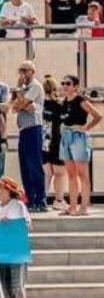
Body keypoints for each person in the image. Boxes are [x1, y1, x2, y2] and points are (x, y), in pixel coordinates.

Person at [58, 74, 101, 216]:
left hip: (78, 137)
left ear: (75, 86)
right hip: (66, 136)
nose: (65, 86)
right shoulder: (64, 101)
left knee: (82, 173)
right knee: (71, 174)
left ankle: (84, 207)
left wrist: (86, 128)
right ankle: (73, 206)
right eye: (63, 83)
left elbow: (97, 115)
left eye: (68, 83)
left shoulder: (80, 100)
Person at [11, 61, 47, 212]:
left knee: (34, 165)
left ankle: (40, 200)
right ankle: (31, 199)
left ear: (32, 71)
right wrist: (23, 104)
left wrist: (21, 99)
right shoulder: (25, 89)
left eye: (25, 71)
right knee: (25, 166)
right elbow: (15, 107)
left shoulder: (35, 87)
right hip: (24, 129)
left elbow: (22, 102)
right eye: (21, 71)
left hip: (34, 128)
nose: (22, 74)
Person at [40, 77, 67, 210]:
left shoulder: (41, 104)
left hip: (43, 143)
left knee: (47, 173)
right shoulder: (60, 105)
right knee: (60, 173)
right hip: (57, 143)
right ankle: (59, 200)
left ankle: (42, 199)